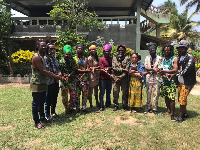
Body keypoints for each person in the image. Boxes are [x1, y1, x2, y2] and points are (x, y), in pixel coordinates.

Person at [30, 39, 64, 129]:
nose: (44, 47)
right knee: (36, 103)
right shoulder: (36, 57)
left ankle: (42, 118)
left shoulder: (43, 56)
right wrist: (56, 77)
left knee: (42, 102)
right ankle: (37, 122)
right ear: (38, 46)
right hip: (37, 83)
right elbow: (44, 71)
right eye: (42, 46)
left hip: (43, 82)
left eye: (45, 46)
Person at [176, 40, 196, 123]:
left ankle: (181, 116)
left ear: (186, 48)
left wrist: (178, 73)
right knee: (181, 99)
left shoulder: (190, 57)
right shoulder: (180, 57)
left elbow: (188, 68)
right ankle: (184, 113)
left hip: (187, 82)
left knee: (182, 98)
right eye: (179, 48)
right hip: (180, 82)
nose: (180, 50)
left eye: (182, 48)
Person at [160, 45, 178, 121]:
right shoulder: (163, 59)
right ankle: (168, 110)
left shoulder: (174, 59)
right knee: (166, 97)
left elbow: (175, 70)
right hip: (164, 81)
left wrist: (164, 71)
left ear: (171, 50)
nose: (166, 51)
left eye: (168, 50)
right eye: (165, 50)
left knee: (171, 98)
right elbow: (161, 70)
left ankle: (172, 114)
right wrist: (164, 75)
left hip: (172, 82)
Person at [144, 42, 163, 115]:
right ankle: (149, 107)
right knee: (148, 94)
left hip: (157, 79)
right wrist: (153, 70)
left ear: (155, 50)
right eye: (151, 50)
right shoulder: (147, 58)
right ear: (149, 51)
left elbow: (160, 68)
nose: (152, 51)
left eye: (153, 50)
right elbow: (146, 68)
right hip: (148, 79)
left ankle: (155, 109)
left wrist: (154, 70)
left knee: (156, 94)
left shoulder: (160, 58)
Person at [44, 43, 60, 122]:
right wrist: (55, 76)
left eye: (54, 49)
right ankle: (47, 115)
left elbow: (58, 68)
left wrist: (59, 73)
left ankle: (53, 112)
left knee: (54, 98)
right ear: (47, 49)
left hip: (56, 81)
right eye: (51, 49)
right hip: (49, 82)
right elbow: (47, 71)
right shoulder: (45, 58)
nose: (53, 50)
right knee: (48, 99)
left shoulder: (54, 58)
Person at [59, 45, 77, 114]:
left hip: (72, 81)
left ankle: (71, 108)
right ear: (64, 54)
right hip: (64, 81)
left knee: (72, 96)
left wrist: (70, 74)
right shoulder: (61, 61)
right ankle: (67, 109)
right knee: (64, 97)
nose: (67, 56)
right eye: (66, 54)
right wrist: (63, 75)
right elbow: (59, 70)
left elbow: (74, 69)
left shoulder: (72, 61)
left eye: (69, 54)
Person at [112, 45, 130, 111]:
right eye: (119, 50)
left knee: (124, 92)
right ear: (117, 51)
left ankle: (125, 105)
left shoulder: (127, 58)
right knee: (115, 92)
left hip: (124, 78)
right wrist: (122, 69)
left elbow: (127, 69)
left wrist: (121, 76)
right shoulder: (114, 58)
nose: (120, 51)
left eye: (122, 50)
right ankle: (115, 105)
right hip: (115, 78)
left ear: (124, 51)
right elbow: (114, 68)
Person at [74, 44, 90, 112]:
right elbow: (74, 70)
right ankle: (77, 107)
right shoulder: (74, 59)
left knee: (85, 94)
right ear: (76, 49)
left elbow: (88, 69)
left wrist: (82, 76)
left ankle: (84, 107)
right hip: (76, 79)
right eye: (78, 48)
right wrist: (78, 77)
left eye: (81, 48)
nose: (80, 50)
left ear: (83, 50)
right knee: (77, 94)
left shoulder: (86, 59)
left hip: (85, 79)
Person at [99, 44, 113, 111]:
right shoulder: (101, 59)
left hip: (109, 79)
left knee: (108, 92)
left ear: (110, 51)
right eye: (105, 51)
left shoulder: (111, 59)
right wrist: (106, 70)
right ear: (103, 51)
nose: (106, 52)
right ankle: (101, 105)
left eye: (108, 51)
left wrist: (109, 68)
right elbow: (101, 68)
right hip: (102, 78)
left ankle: (108, 104)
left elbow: (113, 67)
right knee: (102, 93)